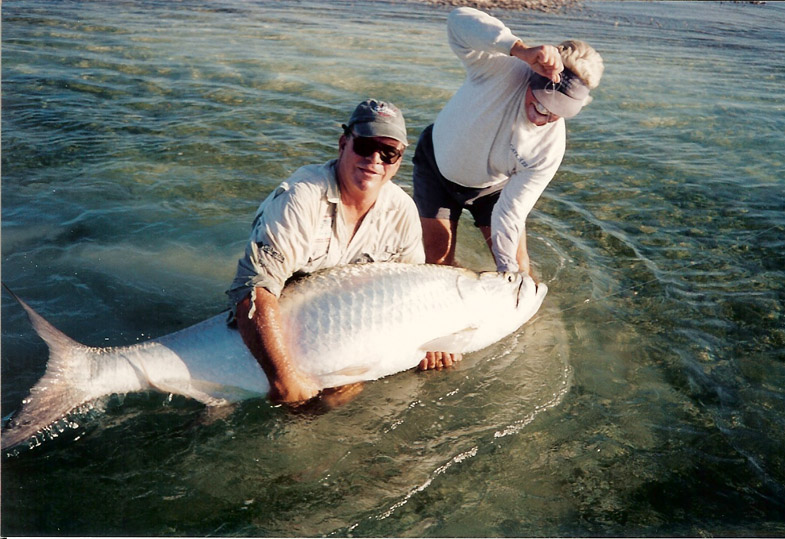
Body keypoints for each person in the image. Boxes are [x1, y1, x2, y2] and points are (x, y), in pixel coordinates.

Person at [227, 99, 424, 405]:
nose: (375, 160)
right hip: (274, 318)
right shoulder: (301, 198)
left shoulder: (402, 212)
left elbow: (411, 295)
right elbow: (251, 290)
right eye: (365, 146)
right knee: (283, 396)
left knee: (339, 399)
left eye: (389, 153)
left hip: (342, 325)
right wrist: (285, 379)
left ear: (399, 160)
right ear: (344, 143)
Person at [413, 7, 604, 279]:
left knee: (518, 271)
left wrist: (508, 273)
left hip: (493, 189)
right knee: (437, 264)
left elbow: (510, 214)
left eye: (557, 110)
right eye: (542, 99)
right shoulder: (501, 67)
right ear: (532, 75)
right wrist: (517, 48)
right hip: (437, 167)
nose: (544, 113)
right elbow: (458, 20)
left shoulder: (550, 149)